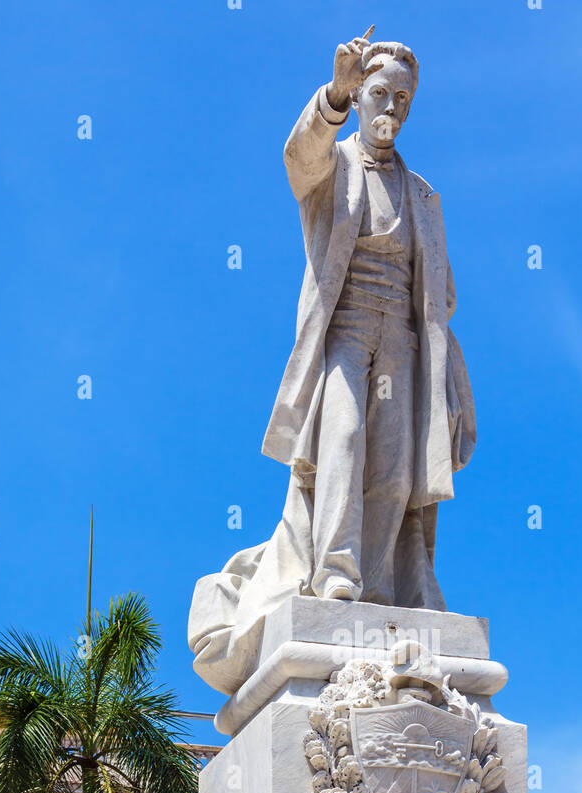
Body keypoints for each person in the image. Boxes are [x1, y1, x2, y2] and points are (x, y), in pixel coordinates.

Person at [188, 30, 475, 698]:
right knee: (340, 444)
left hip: (403, 345)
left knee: (397, 471)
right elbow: (298, 157)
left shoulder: (424, 195)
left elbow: (441, 299)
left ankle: (382, 588)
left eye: (403, 98)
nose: (393, 108)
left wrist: (452, 384)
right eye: (382, 92)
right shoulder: (334, 166)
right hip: (345, 333)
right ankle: (337, 578)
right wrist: (334, 95)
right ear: (362, 90)